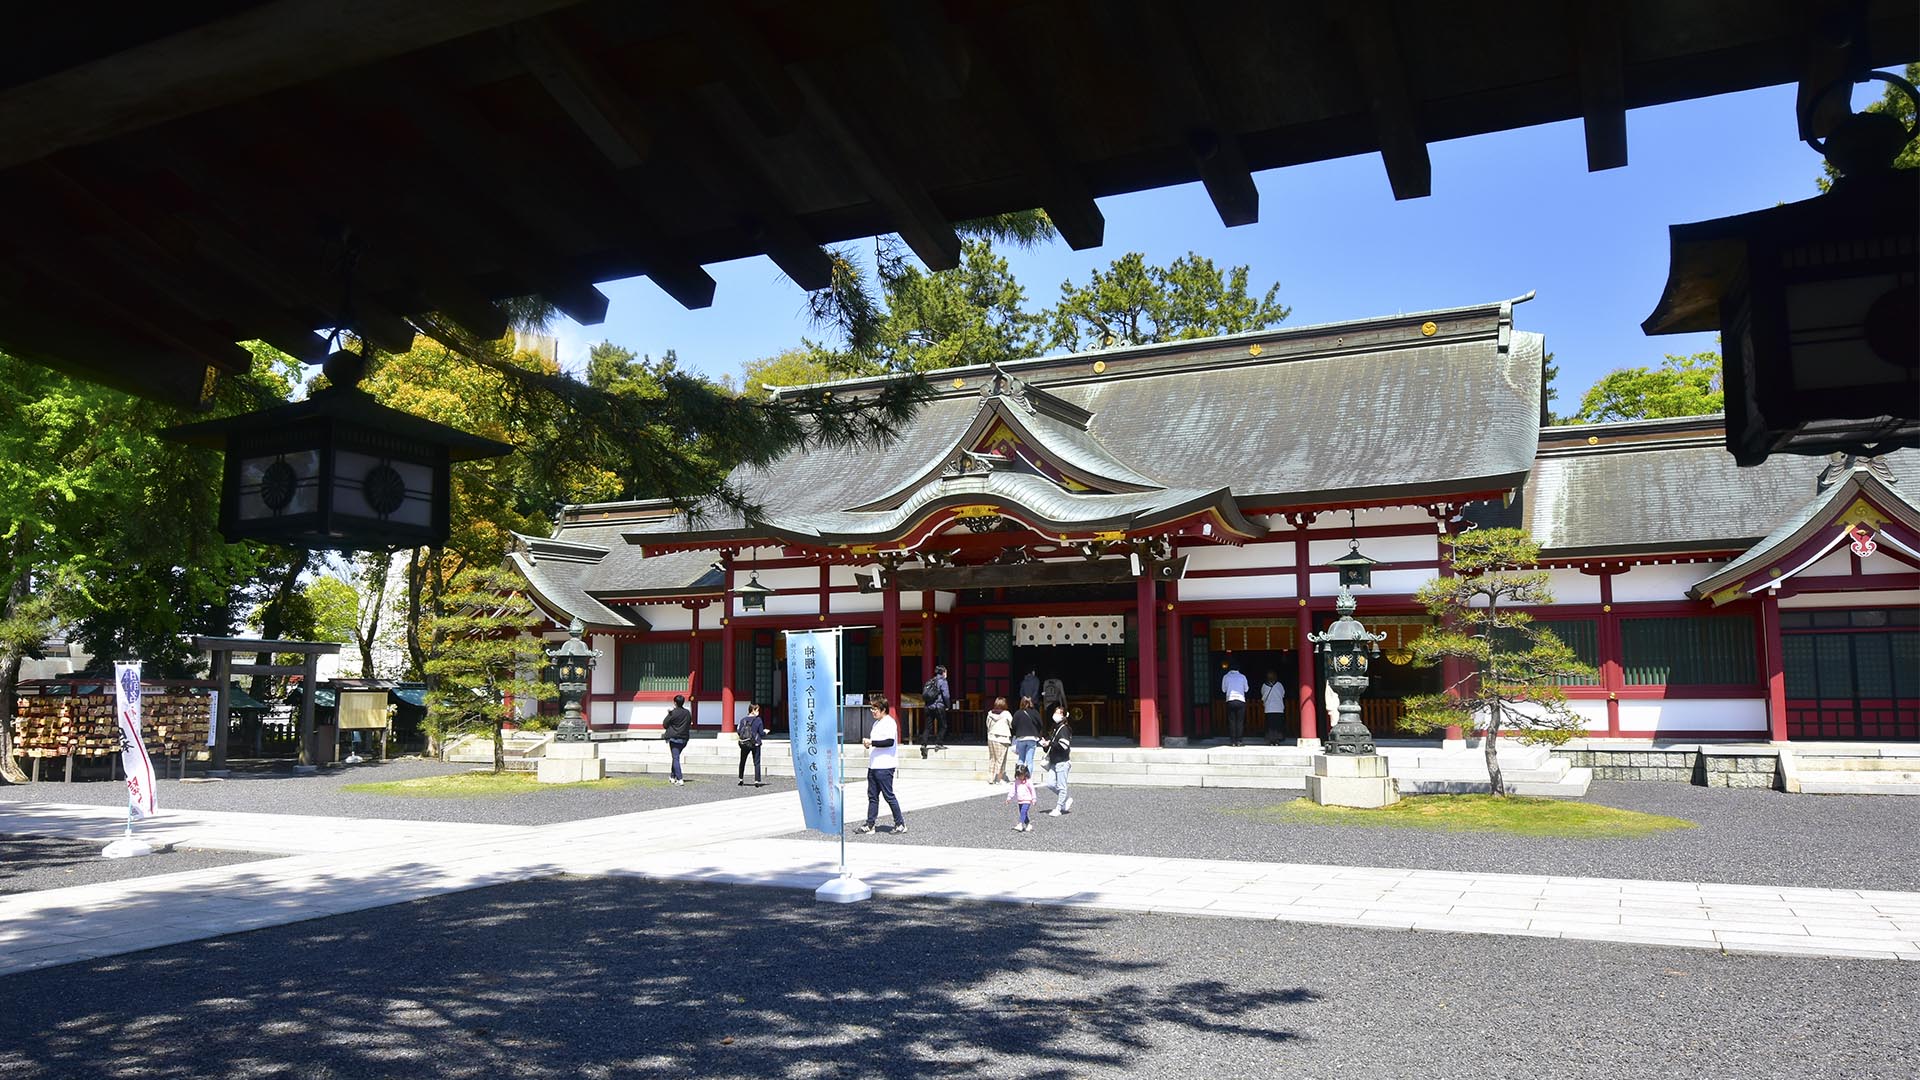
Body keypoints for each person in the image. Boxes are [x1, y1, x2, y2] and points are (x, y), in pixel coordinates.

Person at [855, 700, 906, 834]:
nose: (872, 711)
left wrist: (871, 742)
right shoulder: (876, 723)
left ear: (883, 710)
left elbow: (889, 742)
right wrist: (869, 744)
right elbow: (878, 743)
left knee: (888, 796)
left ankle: (900, 824)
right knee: (872, 796)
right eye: (872, 709)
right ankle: (870, 824)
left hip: (885, 765)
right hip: (874, 765)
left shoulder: (889, 722)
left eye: (875, 709)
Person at [1043, 703, 1073, 816]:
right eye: (1055, 712)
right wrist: (1046, 745)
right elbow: (1053, 745)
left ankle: (1059, 808)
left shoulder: (1064, 729)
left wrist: (1050, 743)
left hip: (1062, 761)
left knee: (1061, 785)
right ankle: (1066, 798)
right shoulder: (1055, 728)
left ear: (1064, 716)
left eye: (1059, 713)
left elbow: (1064, 746)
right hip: (1054, 760)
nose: (1055, 715)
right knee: (1050, 784)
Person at [920, 664, 951, 757]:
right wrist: (948, 705)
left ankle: (923, 744)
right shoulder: (943, 681)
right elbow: (946, 695)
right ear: (943, 672)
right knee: (943, 725)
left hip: (928, 707)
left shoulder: (930, 681)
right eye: (945, 672)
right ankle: (938, 743)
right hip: (938, 706)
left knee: (928, 727)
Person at [663, 693, 693, 784]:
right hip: (684, 738)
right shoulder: (687, 713)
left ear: (675, 703)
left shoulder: (673, 712)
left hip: (674, 738)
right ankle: (672, 776)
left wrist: (669, 714)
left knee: (675, 758)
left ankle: (680, 778)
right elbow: (689, 724)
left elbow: (665, 724)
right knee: (675, 757)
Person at [1010, 695, 1044, 774]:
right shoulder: (1035, 712)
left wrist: (1018, 731)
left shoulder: (1018, 713)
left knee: (1021, 759)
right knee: (1029, 760)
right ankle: (1028, 778)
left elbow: (1013, 725)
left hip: (1021, 738)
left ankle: (1019, 776)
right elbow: (1041, 724)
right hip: (1032, 738)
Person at [984, 696, 1013, 783]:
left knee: (992, 758)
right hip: (1002, 738)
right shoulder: (1006, 714)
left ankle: (991, 778)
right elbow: (1012, 724)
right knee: (1001, 759)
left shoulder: (990, 713)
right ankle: (998, 778)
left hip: (991, 737)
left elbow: (987, 725)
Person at [737, 702, 766, 786]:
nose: (758, 712)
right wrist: (765, 732)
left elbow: (739, 731)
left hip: (745, 743)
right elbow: (761, 733)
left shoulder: (743, 720)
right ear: (753, 710)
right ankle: (756, 781)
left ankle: (741, 779)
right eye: (757, 710)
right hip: (755, 743)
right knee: (756, 762)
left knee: (742, 761)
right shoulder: (758, 720)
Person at [1221, 662, 1249, 746]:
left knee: (1232, 721)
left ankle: (1233, 741)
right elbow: (1246, 689)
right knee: (1240, 721)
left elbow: (1223, 690)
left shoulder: (1226, 677)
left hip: (1231, 700)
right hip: (1240, 700)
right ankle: (1239, 740)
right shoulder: (1242, 677)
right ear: (1238, 669)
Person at [1006, 764, 1037, 832]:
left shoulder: (1028, 781)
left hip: (1027, 800)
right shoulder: (1017, 782)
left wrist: (1034, 798)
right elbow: (1013, 790)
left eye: (1021, 775)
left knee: (1023, 811)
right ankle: (1028, 824)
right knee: (1023, 813)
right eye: (1018, 775)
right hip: (1020, 800)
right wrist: (1009, 797)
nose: (1020, 777)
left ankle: (1020, 824)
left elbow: (1032, 790)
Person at [1260, 671, 1287, 746]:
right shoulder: (1279, 685)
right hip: (1278, 707)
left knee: (1270, 725)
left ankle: (1270, 740)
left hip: (1269, 707)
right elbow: (1283, 694)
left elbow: (1262, 694)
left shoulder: (1264, 685)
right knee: (1277, 725)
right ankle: (1277, 739)